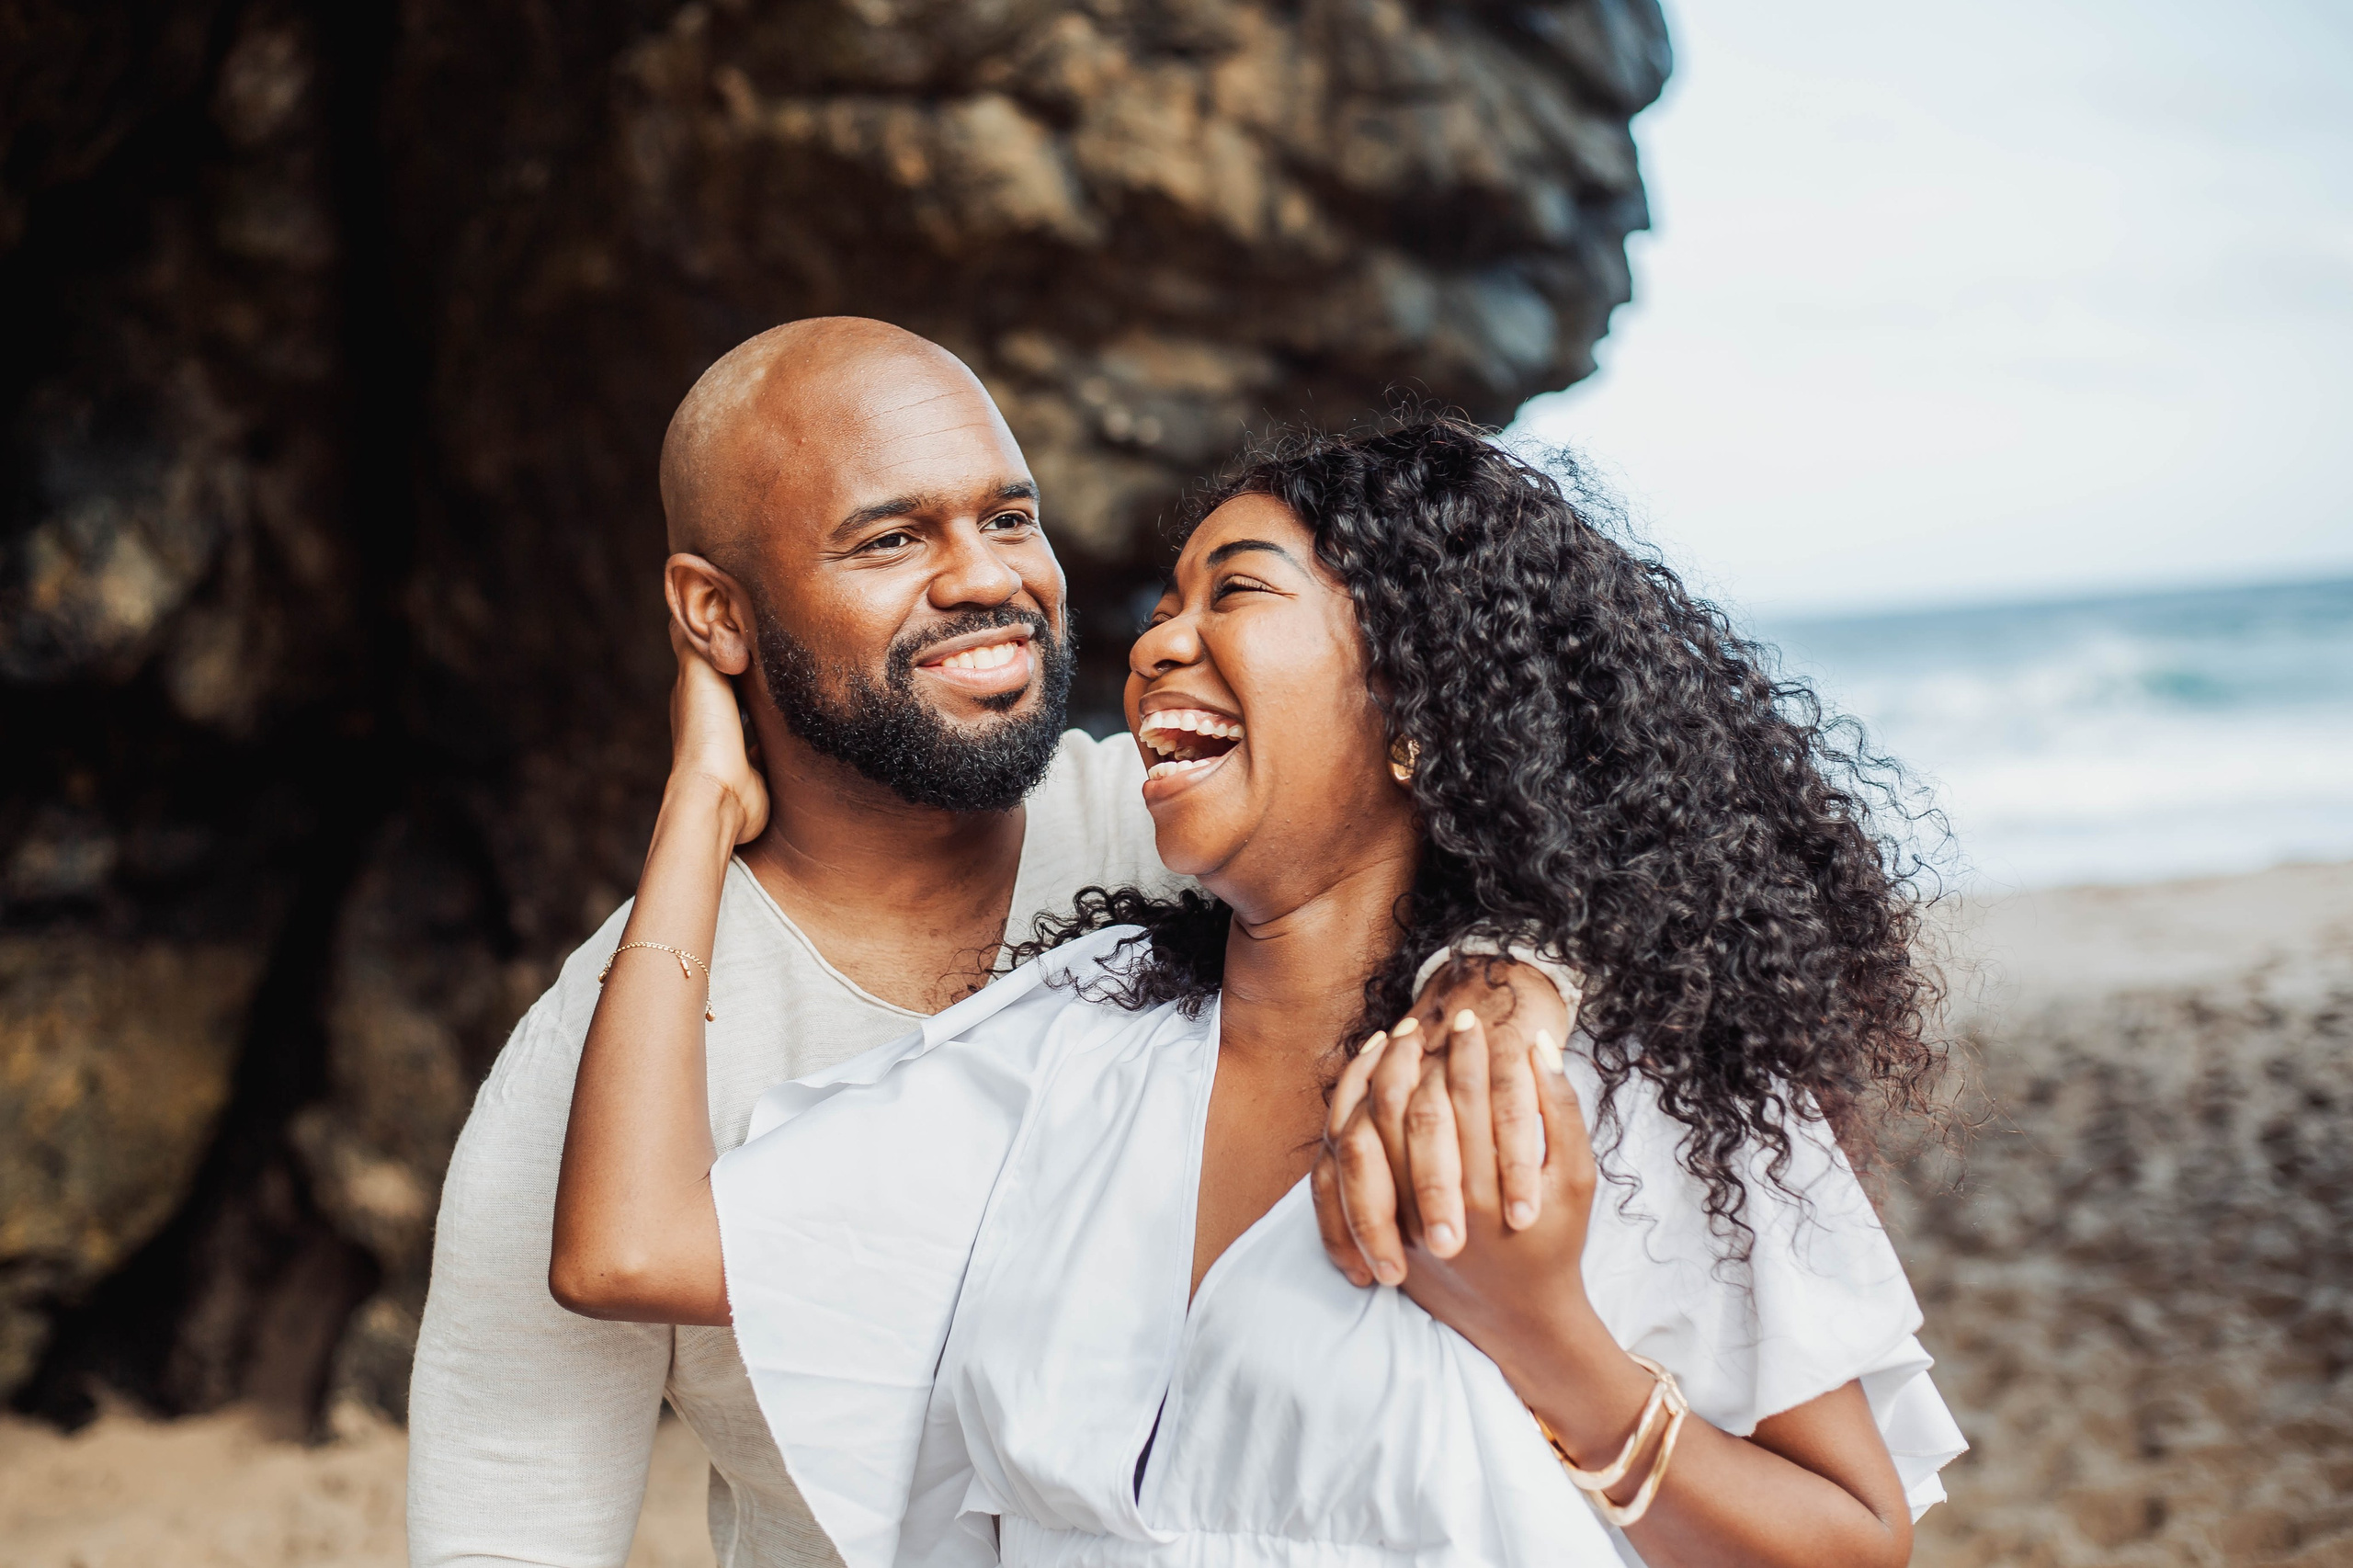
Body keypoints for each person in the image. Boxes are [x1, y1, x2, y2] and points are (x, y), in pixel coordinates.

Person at [552, 415, 1968, 1567]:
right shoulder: (1083, 1048)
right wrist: (699, 806)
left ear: (1421, 710)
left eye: (1234, 591)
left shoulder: (1581, 1076)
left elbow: (1849, 1540)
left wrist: (1546, 1338)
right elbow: (625, 1249)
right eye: (1162, 605)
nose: (1158, 642)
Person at [406, 324, 1561, 1568]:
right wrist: (693, 810)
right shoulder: (603, 1074)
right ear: (714, 615)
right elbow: (508, 1518)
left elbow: (1582, 835)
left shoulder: (1195, 843)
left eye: (1011, 519)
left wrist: (1507, 970)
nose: (985, 579)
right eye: (892, 537)